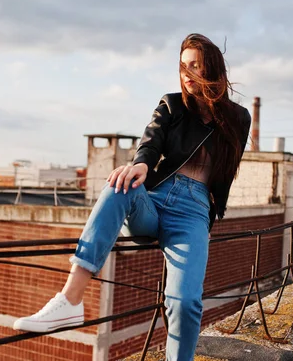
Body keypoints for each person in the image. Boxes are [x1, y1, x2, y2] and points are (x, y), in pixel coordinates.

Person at [13, 33, 251, 360]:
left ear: (212, 66)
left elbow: (227, 170)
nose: (187, 74)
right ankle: (70, 300)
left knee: (184, 301)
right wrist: (140, 164)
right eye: (183, 67)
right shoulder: (172, 103)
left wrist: (211, 214)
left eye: (195, 65)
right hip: (153, 200)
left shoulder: (238, 118)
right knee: (118, 182)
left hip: (193, 212)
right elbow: (151, 141)